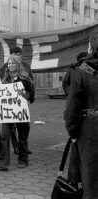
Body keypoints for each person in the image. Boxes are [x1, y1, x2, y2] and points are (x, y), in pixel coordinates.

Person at [64, 33, 98, 199]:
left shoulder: (83, 70)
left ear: (91, 48)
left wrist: (72, 132)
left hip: (90, 131)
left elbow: (72, 108)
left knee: (91, 181)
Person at [0, 55, 35, 171]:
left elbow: (32, 95)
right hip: (7, 114)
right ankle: (3, 162)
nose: (10, 65)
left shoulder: (25, 79)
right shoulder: (4, 79)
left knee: (22, 136)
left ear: (18, 65)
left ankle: (23, 160)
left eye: (13, 63)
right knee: (4, 136)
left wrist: (26, 95)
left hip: (20, 113)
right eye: (9, 63)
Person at [0, 46, 33, 155]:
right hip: (7, 108)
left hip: (21, 107)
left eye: (19, 54)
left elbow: (30, 89)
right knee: (6, 133)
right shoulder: (4, 72)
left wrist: (26, 95)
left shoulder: (25, 72)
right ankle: (6, 158)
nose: (17, 56)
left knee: (24, 130)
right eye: (15, 54)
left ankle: (22, 153)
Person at [62, 51, 87, 187]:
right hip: (75, 112)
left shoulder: (91, 71)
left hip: (86, 117)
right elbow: (65, 83)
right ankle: (73, 181)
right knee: (75, 151)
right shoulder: (73, 70)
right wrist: (71, 93)